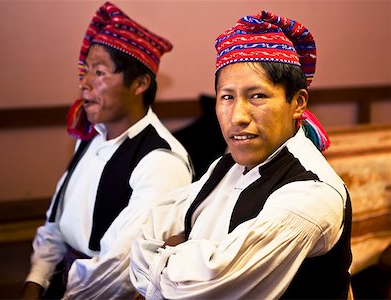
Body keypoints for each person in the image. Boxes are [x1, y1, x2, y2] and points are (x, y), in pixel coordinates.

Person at [130, 10, 352, 299]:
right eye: (227, 97)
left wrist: (174, 253)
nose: (237, 116)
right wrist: (186, 259)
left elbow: (207, 286)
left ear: (297, 103)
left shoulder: (311, 194)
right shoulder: (225, 166)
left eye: (257, 96)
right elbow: (145, 235)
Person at [21, 2, 193, 299]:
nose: (84, 83)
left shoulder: (161, 163)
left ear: (140, 83)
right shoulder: (91, 136)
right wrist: (36, 282)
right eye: (85, 71)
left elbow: (118, 271)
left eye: (99, 72)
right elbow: (56, 226)